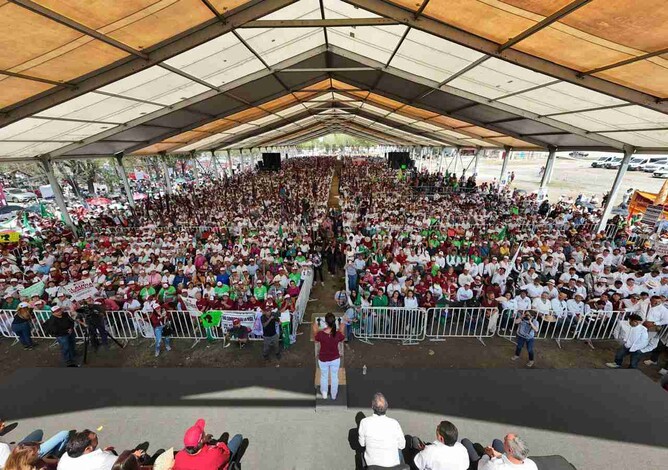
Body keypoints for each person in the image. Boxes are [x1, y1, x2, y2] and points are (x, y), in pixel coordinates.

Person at [358, 392, 405, 468]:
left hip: (372, 466)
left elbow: (362, 444)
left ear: (372, 407)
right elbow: (402, 445)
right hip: (393, 466)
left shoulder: (364, 422)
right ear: (387, 406)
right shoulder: (394, 423)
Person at [173, 419, 242, 470]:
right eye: (203, 434)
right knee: (238, 438)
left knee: (225, 436)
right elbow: (226, 454)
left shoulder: (179, 457)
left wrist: (204, 442)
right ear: (201, 441)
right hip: (218, 456)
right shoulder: (214, 454)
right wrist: (216, 443)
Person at [313, 313, 345, 400]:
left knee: (324, 376)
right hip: (335, 359)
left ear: (326, 323)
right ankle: (334, 395)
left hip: (323, 359)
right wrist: (342, 328)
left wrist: (315, 329)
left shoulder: (321, 334)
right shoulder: (337, 334)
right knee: (334, 377)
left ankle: (324, 394)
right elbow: (342, 337)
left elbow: (316, 339)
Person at [461, 433, 537, 470]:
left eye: (505, 441)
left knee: (465, 442)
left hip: (483, 465)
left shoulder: (495, 467)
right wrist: (497, 454)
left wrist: (487, 455)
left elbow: (481, 466)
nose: (503, 441)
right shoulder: (531, 464)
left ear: (510, 450)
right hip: (498, 460)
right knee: (497, 442)